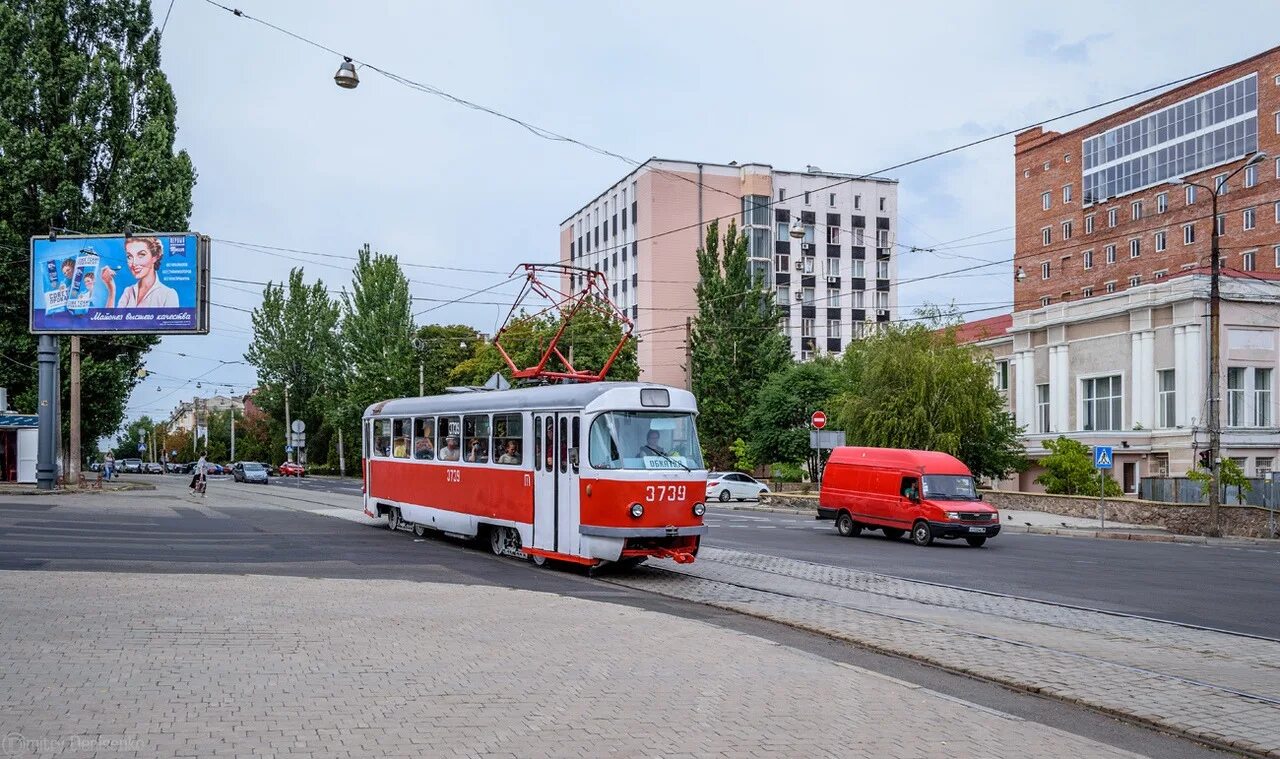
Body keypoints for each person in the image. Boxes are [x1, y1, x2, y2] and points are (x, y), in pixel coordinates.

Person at [101, 237, 179, 308]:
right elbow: (111, 322)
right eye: (129, 257)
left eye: (141, 255)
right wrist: (111, 290)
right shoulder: (128, 291)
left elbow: (171, 323)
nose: (134, 263)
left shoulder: (168, 294)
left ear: (155, 257)